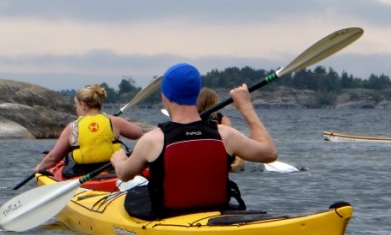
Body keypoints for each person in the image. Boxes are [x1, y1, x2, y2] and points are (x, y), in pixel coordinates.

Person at [111, 63, 277, 219]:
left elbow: (125, 175)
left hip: (169, 218)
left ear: (165, 97)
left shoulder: (152, 140)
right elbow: (269, 153)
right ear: (196, 96)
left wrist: (118, 159)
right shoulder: (225, 135)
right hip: (216, 213)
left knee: (136, 195)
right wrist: (245, 106)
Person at [34, 84, 144, 177]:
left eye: (76, 105)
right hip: (112, 170)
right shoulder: (113, 121)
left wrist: (39, 168)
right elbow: (138, 133)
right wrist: (122, 122)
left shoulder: (72, 127)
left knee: (67, 168)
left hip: (83, 173)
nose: (76, 108)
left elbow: (53, 157)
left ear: (82, 104)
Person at [197, 87, 247, 173]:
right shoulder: (221, 118)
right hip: (219, 151)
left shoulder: (193, 116)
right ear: (214, 102)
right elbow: (230, 135)